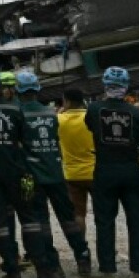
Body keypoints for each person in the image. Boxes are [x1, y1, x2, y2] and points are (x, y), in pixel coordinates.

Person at [0, 62, 58, 278]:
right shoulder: (15, 109)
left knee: (1, 223)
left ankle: (13, 273)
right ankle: (44, 273)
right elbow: (24, 140)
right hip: (18, 173)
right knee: (29, 219)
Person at [15, 70, 92, 278]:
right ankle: (83, 257)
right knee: (68, 217)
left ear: (18, 91)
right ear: (37, 90)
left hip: (32, 177)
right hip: (57, 174)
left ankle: (53, 264)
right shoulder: (52, 114)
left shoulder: (17, 114)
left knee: (41, 220)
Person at [86, 66, 139, 278]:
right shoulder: (136, 112)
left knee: (104, 220)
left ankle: (107, 270)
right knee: (138, 220)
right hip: (131, 169)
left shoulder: (94, 109)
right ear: (126, 86)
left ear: (105, 86)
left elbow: (89, 127)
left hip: (105, 169)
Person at [58, 87, 94, 234]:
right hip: (94, 172)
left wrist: (59, 113)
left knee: (78, 214)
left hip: (72, 174)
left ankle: (82, 248)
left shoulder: (59, 120)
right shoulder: (91, 117)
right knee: (102, 214)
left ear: (66, 101)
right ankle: (105, 249)